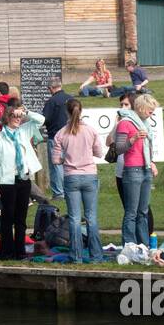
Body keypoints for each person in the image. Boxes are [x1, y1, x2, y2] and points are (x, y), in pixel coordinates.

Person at [0, 103, 45, 261]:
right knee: (7, 219)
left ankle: (20, 252)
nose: (18, 120)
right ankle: (6, 252)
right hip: (6, 182)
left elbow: (41, 120)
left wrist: (26, 111)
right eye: (15, 116)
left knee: (21, 219)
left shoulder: (24, 131)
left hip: (23, 179)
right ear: (7, 118)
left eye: (20, 117)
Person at [51, 97, 105, 263]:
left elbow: (55, 160)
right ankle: (96, 256)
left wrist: (66, 158)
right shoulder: (91, 131)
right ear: (81, 111)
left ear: (67, 112)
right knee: (91, 217)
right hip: (89, 175)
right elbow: (99, 153)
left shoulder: (61, 133)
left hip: (71, 176)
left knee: (74, 218)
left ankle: (76, 256)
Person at [113, 93, 158, 246]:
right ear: (140, 107)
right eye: (149, 109)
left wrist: (151, 162)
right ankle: (129, 244)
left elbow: (149, 147)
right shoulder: (125, 123)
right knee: (131, 212)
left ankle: (144, 245)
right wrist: (133, 138)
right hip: (132, 170)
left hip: (145, 169)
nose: (152, 112)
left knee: (143, 211)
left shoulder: (146, 123)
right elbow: (118, 148)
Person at [40, 76, 73, 202]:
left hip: (55, 137)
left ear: (51, 88)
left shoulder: (52, 101)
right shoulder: (70, 98)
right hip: (71, 136)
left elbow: (45, 119)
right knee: (69, 164)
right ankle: (69, 190)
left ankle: (59, 193)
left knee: (56, 165)